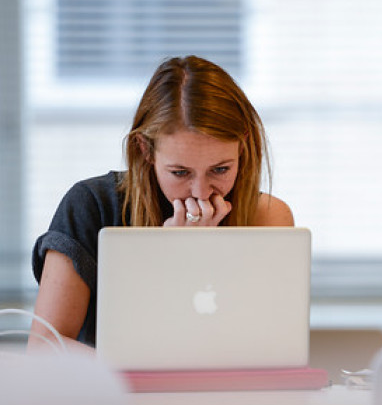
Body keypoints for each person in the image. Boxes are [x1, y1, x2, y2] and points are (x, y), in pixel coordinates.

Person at [29, 56, 294, 352]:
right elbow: (43, 348)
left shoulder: (267, 217)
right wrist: (166, 259)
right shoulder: (92, 205)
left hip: (228, 396)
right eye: (180, 172)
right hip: (115, 395)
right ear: (146, 149)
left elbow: (270, 347)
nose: (201, 192)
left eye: (220, 170)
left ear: (242, 145)